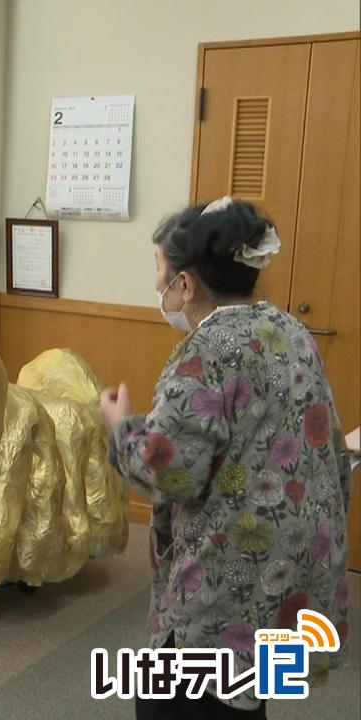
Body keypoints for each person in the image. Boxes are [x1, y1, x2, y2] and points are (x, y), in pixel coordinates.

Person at [99, 197, 350, 719]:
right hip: (292, 556)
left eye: (161, 275)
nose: (157, 289)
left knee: (180, 695)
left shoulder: (206, 350)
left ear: (185, 284)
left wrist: (122, 426)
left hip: (227, 567)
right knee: (244, 691)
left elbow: (170, 470)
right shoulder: (292, 333)